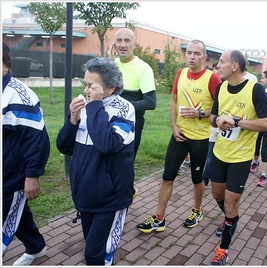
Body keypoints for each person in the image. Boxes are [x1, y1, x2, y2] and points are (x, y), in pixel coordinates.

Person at [135, 40, 221, 233]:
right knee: (167, 176)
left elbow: (220, 109)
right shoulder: (180, 74)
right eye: (189, 52)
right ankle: (159, 218)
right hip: (179, 135)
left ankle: (197, 210)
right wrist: (174, 126)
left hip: (200, 139)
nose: (192, 56)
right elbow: (173, 101)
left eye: (197, 53)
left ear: (204, 57)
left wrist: (200, 114)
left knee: (197, 178)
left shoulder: (212, 78)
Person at [56, 57, 136, 265]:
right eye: (85, 84)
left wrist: (95, 107)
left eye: (92, 86)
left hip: (111, 198)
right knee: (92, 248)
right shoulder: (86, 107)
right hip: (86, 195)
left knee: (95, 254)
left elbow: (107, 144)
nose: (86, 90)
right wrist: (72, 119)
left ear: (110, 87)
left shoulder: (124, 109)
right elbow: (64, 147)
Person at [209, 49, 267, 265]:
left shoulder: (254, 89)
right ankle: (231, 218)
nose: (218, 66)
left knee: (231, 201)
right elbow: (211, 116)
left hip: (241, 157)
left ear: (234, 66)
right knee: (217, 195)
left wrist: (236, 121)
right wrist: (218, 119)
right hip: (220, 153)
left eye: (221, 62)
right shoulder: (220, 87)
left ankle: (223, 250)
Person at [2, 42, 50, 266]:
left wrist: (32, 175)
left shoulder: (19, 96)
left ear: (4, 65)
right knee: (17, 212)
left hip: (12, 172)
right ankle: (36, 246)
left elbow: (37, 139)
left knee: (6, 216)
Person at [109, 28, 156, 161]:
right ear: (114, 44)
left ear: (134, 44)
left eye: (127, 40)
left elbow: (151, 103)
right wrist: (109, 61)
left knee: (123, 165)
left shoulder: (143, 68)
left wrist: (122, 106)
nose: (122, 44)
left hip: (130, 124)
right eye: (119, 40)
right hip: (109, 121)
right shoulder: (112, 64)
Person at [203, 61, 222, 188]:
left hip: (215, 122)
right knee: (209, 152)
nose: (216, 71)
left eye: (218, 68)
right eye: (215, 68)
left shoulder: (221, 85)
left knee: (211, 152)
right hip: (208, 122)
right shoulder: (212, 82)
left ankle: (205, 179)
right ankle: (204, 178)